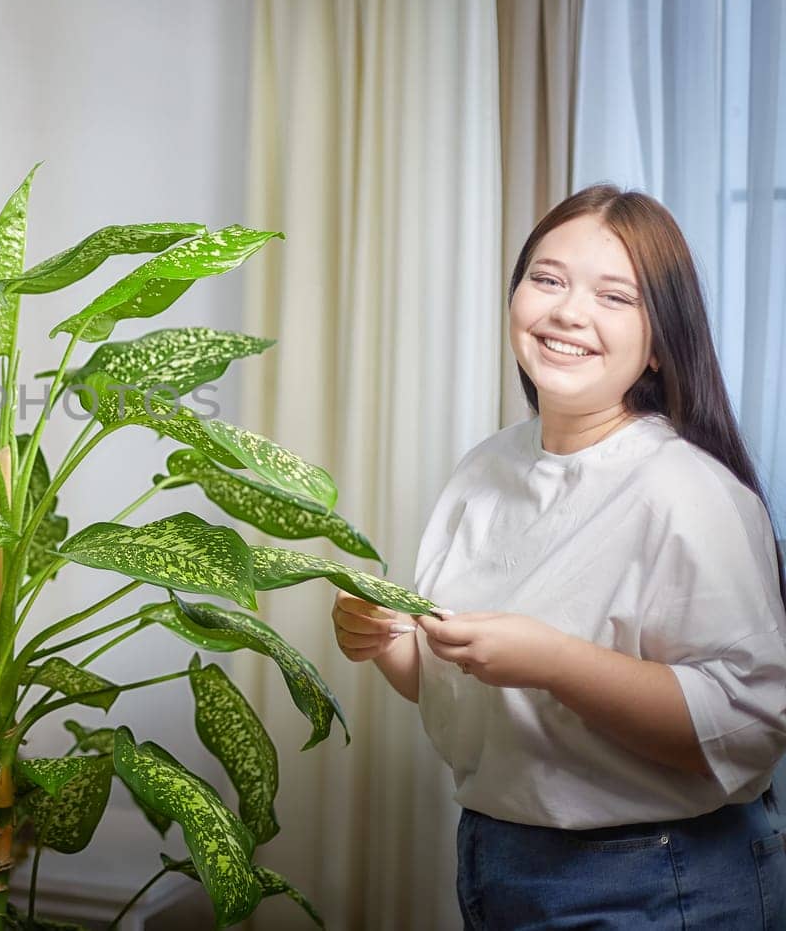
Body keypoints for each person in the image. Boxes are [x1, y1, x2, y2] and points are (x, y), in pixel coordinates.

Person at [331, 185, 786, 928]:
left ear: (661, 340)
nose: (569, 311)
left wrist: (553, 660)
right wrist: (388, 641)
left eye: (615, 295)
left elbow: (750, 720)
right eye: (547, 279)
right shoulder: (485, 470)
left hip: (654, 879)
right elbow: (471, 696)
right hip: (497, 860)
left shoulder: (686, 490)